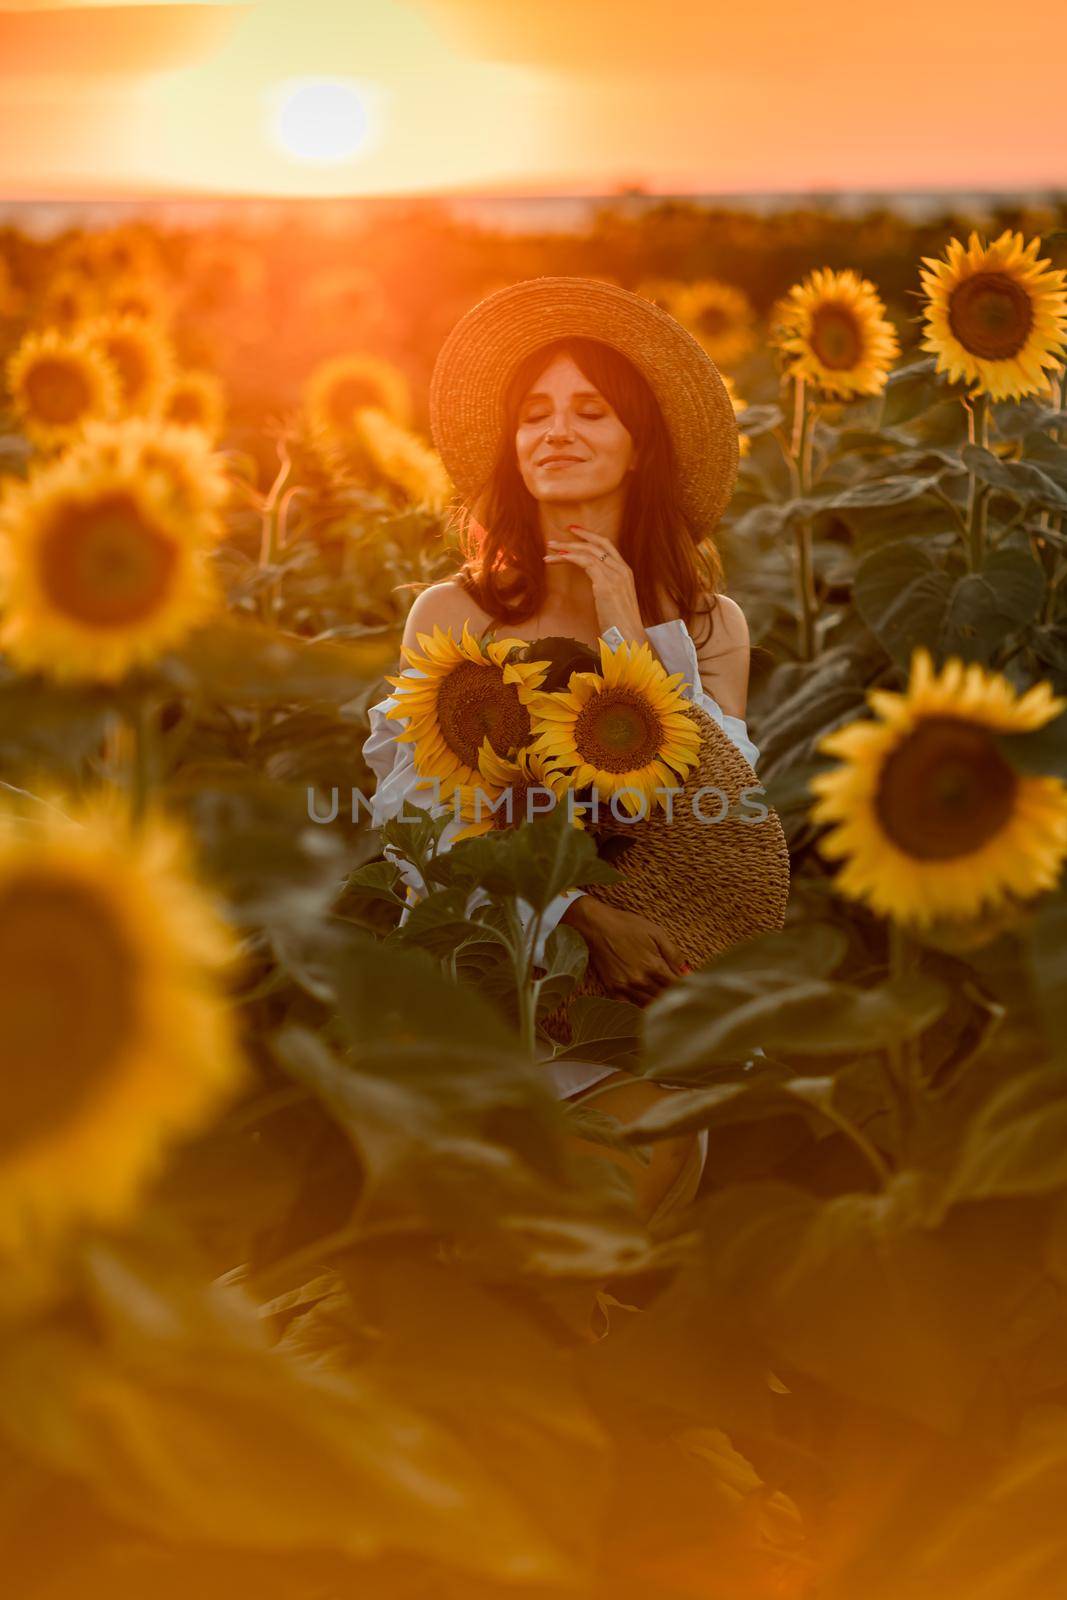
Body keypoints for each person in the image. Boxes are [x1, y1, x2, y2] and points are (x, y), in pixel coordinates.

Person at [362, 276, 759, 1229]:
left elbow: (719, 808)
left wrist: (629, 623)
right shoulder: (451, 616)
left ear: (639, 445)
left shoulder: (711, 625)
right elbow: (418, 818)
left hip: (634, 1015)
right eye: (533, 414)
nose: (556, 432)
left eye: (590, 411)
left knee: (607, 1212)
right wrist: (587, 918)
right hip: (489, 977)